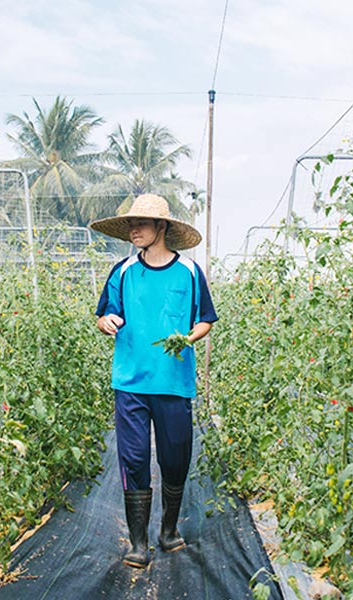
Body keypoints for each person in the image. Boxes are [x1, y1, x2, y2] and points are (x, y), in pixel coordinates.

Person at [89, 193, 218, 569]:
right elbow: (104, 315)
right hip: (130, 381)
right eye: (131, 224)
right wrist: (105, 323)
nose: (134, 229)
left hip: (174, 382)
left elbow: (205, 319)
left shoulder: (190, 272)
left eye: (141, 223)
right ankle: (139, 543)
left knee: (175, 456)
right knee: (133, 459)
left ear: (162, 227)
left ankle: (169, 530)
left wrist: (188, 338)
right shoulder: (123, 271)